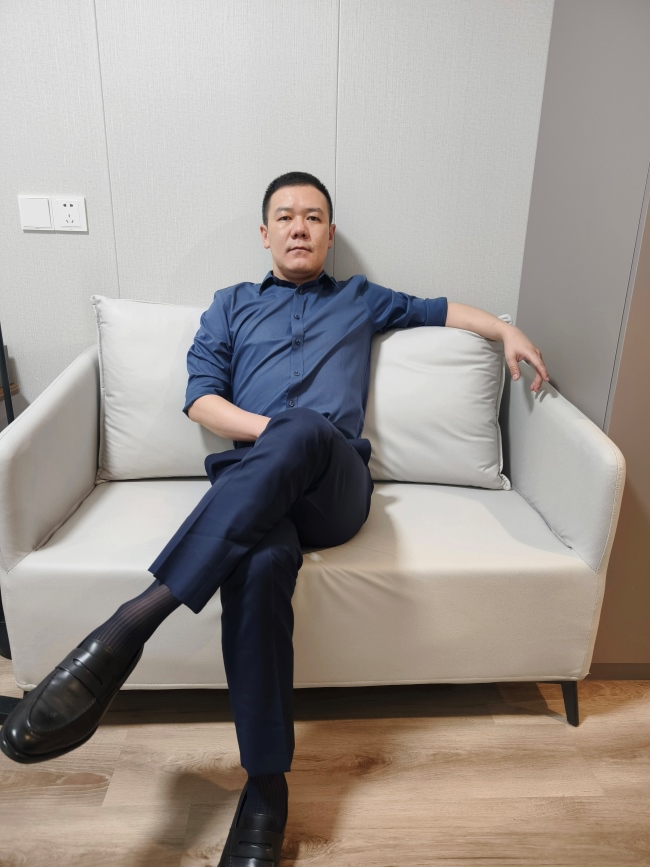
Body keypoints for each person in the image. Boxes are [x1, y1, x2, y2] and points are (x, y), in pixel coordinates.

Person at [0, 172, 548, 866]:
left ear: (329, 234)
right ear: (265, 234)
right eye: (285, 216)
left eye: (313, 217)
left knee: (307, 428)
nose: (299, 227)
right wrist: (278, 435)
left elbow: (441, 311)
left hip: (333, 489)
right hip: (253, 487)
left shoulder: (361, 298)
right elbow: (201, 401)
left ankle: (128, 625)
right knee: (258, 566)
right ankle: (265, 787)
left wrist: (506, 329)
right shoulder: (230, 305)